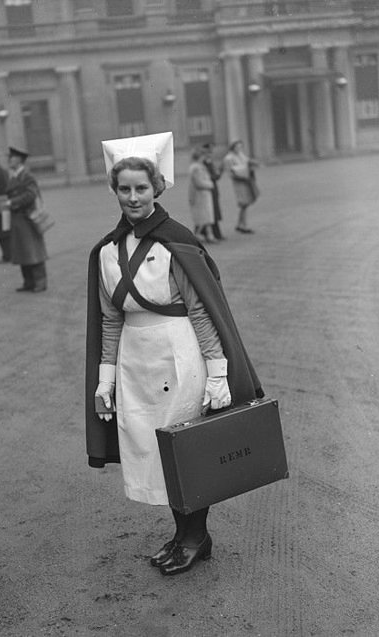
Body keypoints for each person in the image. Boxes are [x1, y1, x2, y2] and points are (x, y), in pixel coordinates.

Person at [85, 132, 264, 577]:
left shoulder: (175, 242)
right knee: (155, 450)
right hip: (135, 363)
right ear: (115, 190)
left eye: (141, 188)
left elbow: (204, 313)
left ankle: (194, 537)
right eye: (123, 188)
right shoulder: (107, 252)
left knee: (187, 450)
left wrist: (218, 373)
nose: (132, 197)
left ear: (157, 188)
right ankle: (183, 534)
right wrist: (104, 382)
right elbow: (110, 320)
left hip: (181, 355)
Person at [4, 146, 47, 292]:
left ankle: (40, 282)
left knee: (33, 251)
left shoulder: (26, 176)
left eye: (12, 158)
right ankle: (28, 282)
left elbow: (31, 195)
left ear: (19, 160)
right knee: (22, 251)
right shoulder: (15, 175)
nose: (9, 160)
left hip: (28, 218)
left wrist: (12, 202)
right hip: (18, 218)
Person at [222, 140, 260, 234]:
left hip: (246, 181)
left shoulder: (240, 155)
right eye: (237, 147)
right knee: (243, 203)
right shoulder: (229, 158)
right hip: (239, 182)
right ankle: (243, 225)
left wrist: (252, 164)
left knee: (245, 204)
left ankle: (240, 224)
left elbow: (247, 162)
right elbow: (230, 173)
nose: (239, 149)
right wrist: (241, 173)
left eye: (240, 147)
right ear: (232, 147)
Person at [187, 147, 217, 244]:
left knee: (207, 217)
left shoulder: (198, 166)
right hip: (200, 195)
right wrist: (210, 184)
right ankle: (198, 236)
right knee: (203, 218)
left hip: (203, 195)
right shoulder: (196, 168)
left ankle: (210, 235)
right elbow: (199, 182)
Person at [202, 142, 225, 240]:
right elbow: (210, 176)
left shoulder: (209, 161)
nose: (210, 153)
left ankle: (213, 232)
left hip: (213, 188)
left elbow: (215, 176)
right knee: (210, 210)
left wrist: (219, 171)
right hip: (208, 188)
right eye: (209, 152)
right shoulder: (203, 163)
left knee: (214, 210)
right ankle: (211, 233)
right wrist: (217, 174)